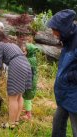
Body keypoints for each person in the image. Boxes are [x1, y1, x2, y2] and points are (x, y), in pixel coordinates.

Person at [0, 30, 32, 129]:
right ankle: (16, 121)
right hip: (25, 64)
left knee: (12, 96)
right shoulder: (10, 44)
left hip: (16, 65)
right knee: (19, 95)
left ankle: (10, 123)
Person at [47, 9, 77, 137]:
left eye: (55, 29)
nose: (53, 33)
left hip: (74, 96)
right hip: (65, 94)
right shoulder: (67, 39)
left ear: (63, 28)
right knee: (58, 126)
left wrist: (67, 78)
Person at [21, 43, 38, 120]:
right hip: (31, 80)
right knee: (27, 96)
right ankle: (27, 109)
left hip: (30, 82)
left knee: (27, 97)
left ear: (29, 52)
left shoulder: (29, 60)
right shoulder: (32, 57)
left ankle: (28, 114)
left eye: (24, 51)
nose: (23, 53)